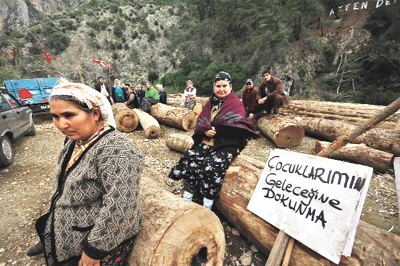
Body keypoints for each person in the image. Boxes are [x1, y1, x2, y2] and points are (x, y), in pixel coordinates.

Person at [26, 79, 144, 266]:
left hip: (90, 249)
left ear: (95, 113)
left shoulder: (117, 150)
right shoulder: (75, 141)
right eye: (55, 116)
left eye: (68, 115)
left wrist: (94, 251)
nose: (61, 124)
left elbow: (121, 207)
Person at [169, 72, 258, 210]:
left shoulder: (236, 104)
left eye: (224, 86)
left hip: (227, 144)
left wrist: (218, 130)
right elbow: (201, 120)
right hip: (208, 141)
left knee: (212, 165)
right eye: (218, 86)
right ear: (214, 87)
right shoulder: (211, 102)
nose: (221, 89)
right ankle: (188, 196)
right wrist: (204, 130)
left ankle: (207, 203)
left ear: (230, 87)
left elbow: (238, 128)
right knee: (190, 157)